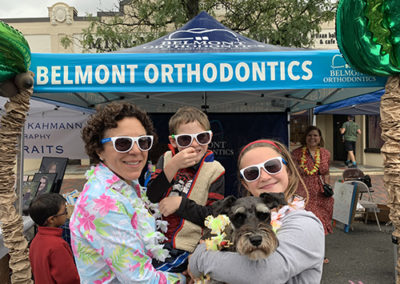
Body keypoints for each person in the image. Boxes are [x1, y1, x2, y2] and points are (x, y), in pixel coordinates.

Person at [69, 102, 185, 283]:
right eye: (123, 143)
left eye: (143, 141)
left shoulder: (127, 184)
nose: (136, 151)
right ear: (99, 150)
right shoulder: (102, 201)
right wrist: (185, 278)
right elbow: (139, 279)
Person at [188, 139, 324, 283]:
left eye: (272, 166)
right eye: (252, 173)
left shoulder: (306, 224)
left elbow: (263, 274)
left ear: (288, 171)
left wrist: (199, 257)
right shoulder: (230, 222)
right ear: (245, 183)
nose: (264, 177)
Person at [147, 106, 225, 272]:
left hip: (187, 247)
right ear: (173, 141)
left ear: (210, 137)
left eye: (201, 138)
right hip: (153, 241)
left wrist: (181, 204)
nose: (195, 144)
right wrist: (173, 165)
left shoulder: (216, 170)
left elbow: (214, 218)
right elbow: (152, 196)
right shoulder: (166, 158)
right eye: (185, 140)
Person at [291, 126, 333, 264]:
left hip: (321, 194)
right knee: (305, 223)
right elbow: (291, 173)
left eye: (315, 135)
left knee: (321, 223)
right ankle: (303, 253)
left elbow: (326, 172)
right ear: (305, 137)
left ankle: (320, 254)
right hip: (303, 192)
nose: (312, 138)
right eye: (310, 135)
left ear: (320, 138)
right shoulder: (296, 153)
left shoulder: (326, 153)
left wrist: (328, 186)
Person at [28, 193, 80, 284]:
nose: (67, 214)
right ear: (51, 219)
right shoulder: (57, 245)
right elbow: (69, 279)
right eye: (65, 212)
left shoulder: (36, 240)